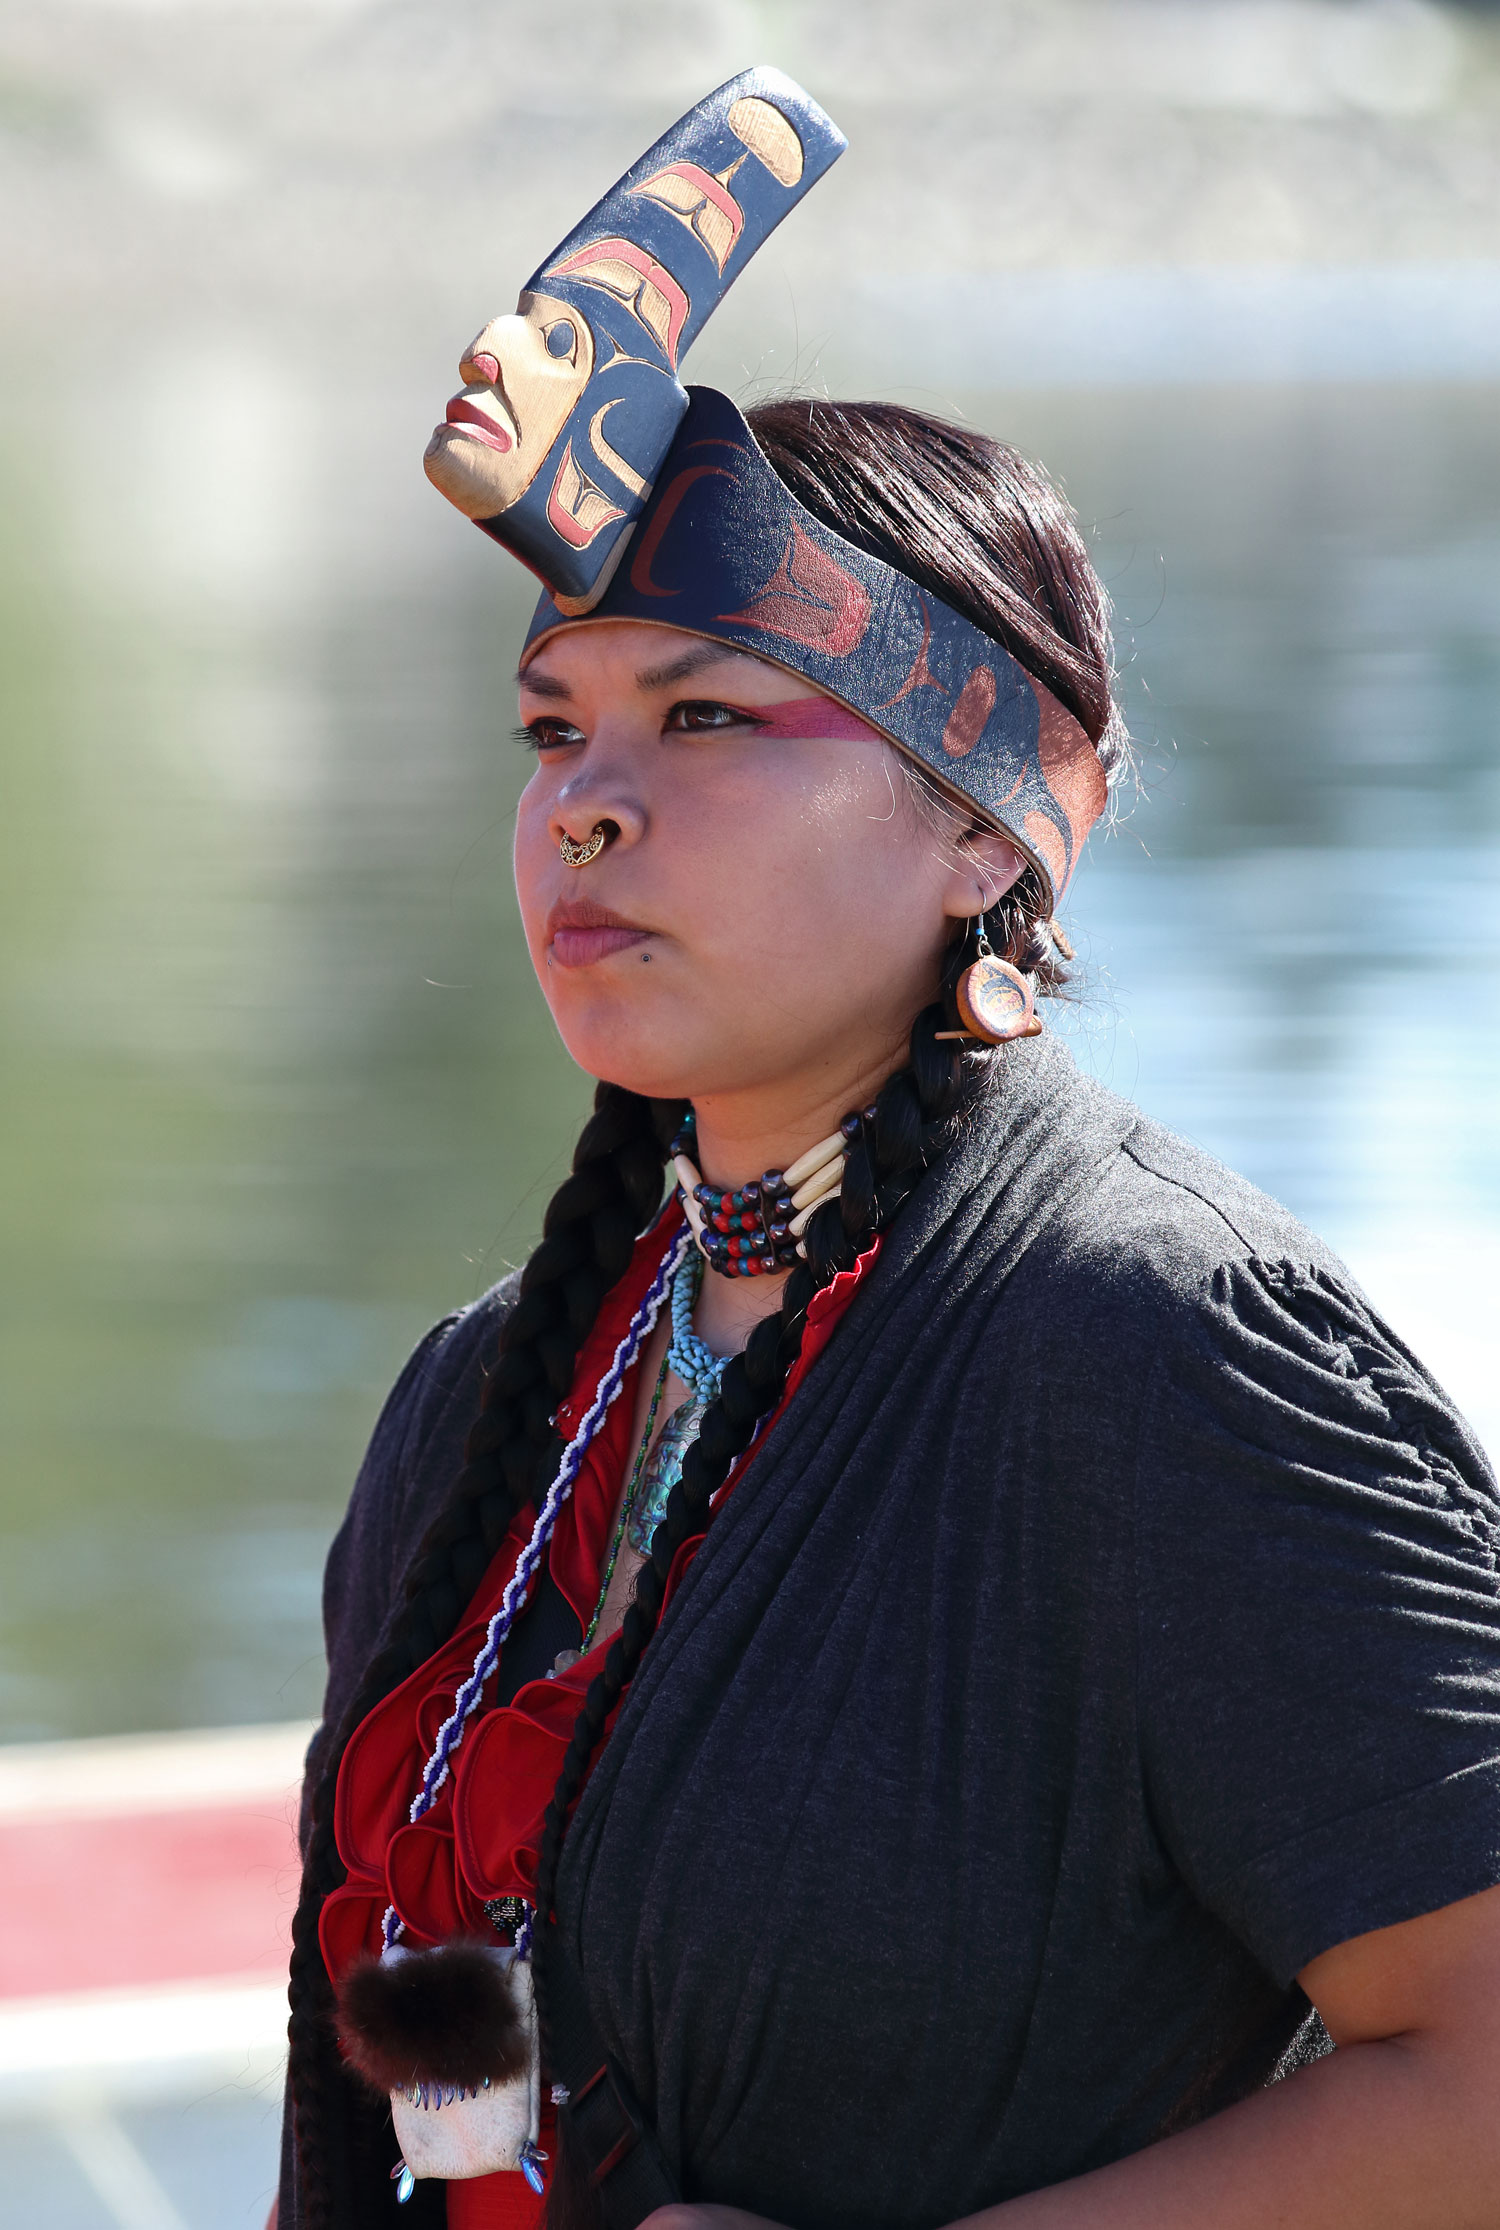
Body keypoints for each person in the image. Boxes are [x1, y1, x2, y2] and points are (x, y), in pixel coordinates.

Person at [276, 70, 1500, 2230]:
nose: (588, 799)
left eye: (711, 715)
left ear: (974, 827)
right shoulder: (490, 1397)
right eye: (555, 724)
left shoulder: (1156, 1345)